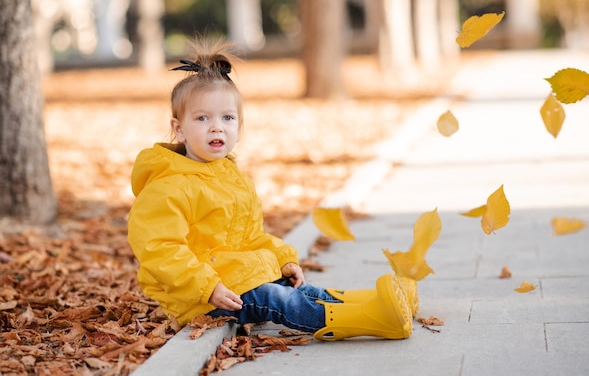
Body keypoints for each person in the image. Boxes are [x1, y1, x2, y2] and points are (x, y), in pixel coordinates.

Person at [127, 38, 414, 341]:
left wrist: (281, 259)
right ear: (179, 128)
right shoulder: (168, 186)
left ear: (239, 125)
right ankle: (371, 318)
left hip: (235, 276)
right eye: (202, 118)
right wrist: (205, 287)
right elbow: (160, 249)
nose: (217, 127)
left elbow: (250, 237)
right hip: (200, 296)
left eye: (227, 117)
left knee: (298, 289)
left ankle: (373, 301)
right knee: (276, 300)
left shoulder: (230, 177)